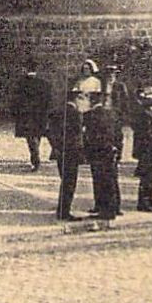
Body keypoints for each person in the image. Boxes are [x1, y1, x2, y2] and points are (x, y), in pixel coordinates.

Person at [84, 91, 122, 222]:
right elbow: (118, 134)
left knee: (99, 180)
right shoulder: (112, 114)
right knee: (111, 179)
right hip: (111, 151)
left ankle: (103, 209)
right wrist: (117, 149)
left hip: (97, 152)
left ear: (91, 101)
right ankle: (115, 207)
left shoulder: (89, 115)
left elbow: (88, 136)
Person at [10, 60, 54, 170]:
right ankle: (35, 157)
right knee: (36, 136)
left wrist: (15, 112)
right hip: (40, 115)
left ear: (26, 69)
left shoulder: (21, 84)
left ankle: (35, 158)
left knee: (30, 137)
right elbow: (48, 101)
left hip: (27, 115)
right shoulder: (44, 83)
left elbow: (16, 100)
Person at [55, 90, 89, 221]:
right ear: (77, 99)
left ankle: (62, 209)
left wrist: (56, 147)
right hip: (71, 152)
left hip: (60, 152)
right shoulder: (76, 114)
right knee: (69, 183)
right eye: (82, 98)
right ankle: (64, 212)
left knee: (65, 181)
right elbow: (78, 135)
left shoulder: (59, 112)